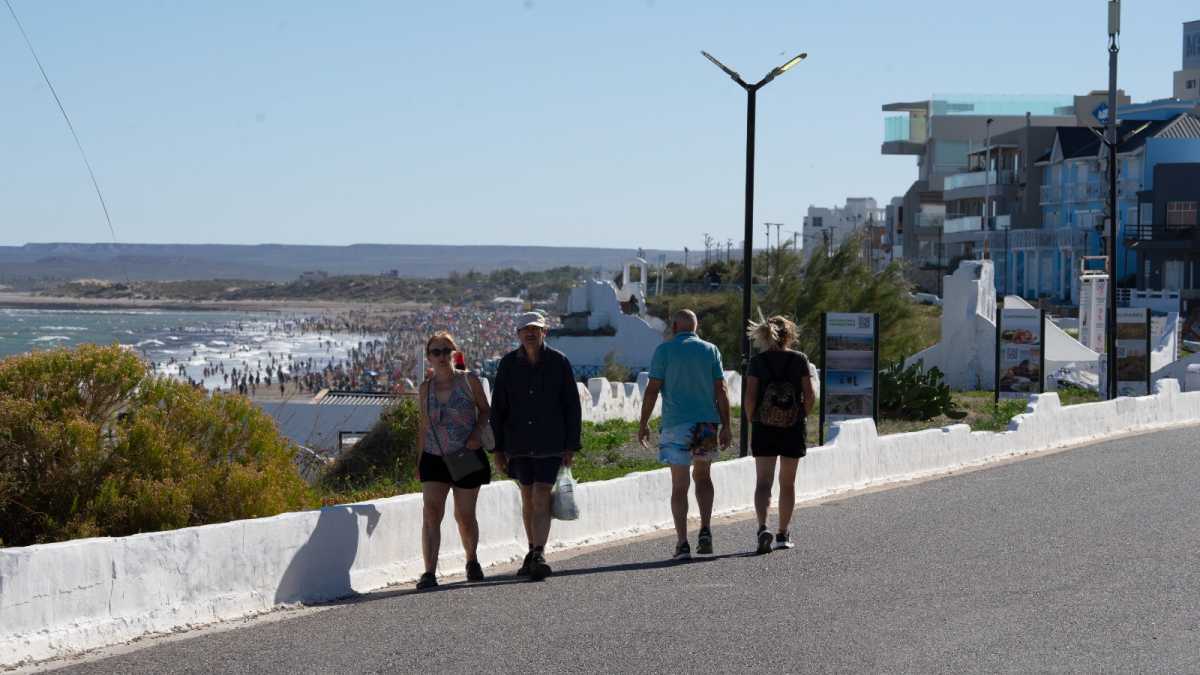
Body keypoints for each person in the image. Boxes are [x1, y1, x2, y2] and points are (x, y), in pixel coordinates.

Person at [490, 311, 582, 581]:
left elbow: (571, 406)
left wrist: (570, 446)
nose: (530, 333)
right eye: (525, 329)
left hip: (550, 442)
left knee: (542, 494)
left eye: (535, 329)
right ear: (518, 334)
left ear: (545, 332)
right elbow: (499, 408)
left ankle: (539, 552)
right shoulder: (508, 364)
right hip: (517, 443)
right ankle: (531, 551)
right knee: (528, 497)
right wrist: (497, 449)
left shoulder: (559, 362)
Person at [638, 309, 733, 560]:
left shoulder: (664, 351)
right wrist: (727, 425)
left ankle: (682, 543)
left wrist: (643, 423)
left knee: (680, 486)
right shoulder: (710, 350)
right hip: (705, 424)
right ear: (695, 327)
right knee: (703, 477)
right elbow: (721, 389)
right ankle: (705, 530)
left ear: (675, 326)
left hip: (675, 424)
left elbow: (652, 390)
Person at [414, 331, 493, 590]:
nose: (441, 356)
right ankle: (428, 572)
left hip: (465, 455)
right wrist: (419, 460)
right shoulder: (425, 389)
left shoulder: (468, 381)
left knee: (464, 515)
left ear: (454, 354)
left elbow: (485, 411)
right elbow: (424, 426)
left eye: (446, 351)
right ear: (428, 357)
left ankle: (471, 560)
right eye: (436, 352)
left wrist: (475, 435)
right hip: (434, 457)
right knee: (431, 513)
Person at [743, 315, 815, 554]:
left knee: (763, 482)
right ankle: (783, 533)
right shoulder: (800, 359)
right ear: (790, 335)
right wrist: (799, 415)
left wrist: (753, 418)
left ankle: (763, 526)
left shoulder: (758, 361)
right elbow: (810, 395)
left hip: (764, 427)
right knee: (788, 483)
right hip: (792, 428)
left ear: (765, 334)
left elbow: (751, 397)